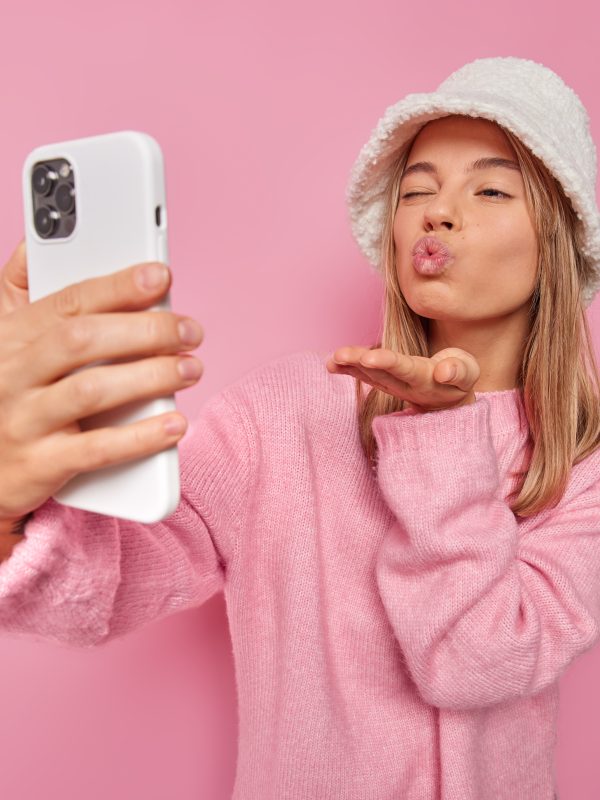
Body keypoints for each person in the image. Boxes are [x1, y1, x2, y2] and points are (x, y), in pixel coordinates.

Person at [0, 55, 597, 799]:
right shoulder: (285, 412)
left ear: (559, 246)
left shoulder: (583, 471)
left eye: (490, 188)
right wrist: (12, 512)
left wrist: (444, 435)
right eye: (417, 190)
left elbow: (475, 661)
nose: (437, 212)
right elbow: (114, 579)